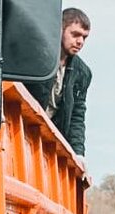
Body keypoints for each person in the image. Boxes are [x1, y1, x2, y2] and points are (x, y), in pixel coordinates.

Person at [26, 8, 91, 164]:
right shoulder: (35, 55)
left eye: (84, 37)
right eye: (75, 34)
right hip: (22, 130)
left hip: (50, 143)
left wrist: (78, 153)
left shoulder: (83, 73)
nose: (80, 41)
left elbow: (77, 114)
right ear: (59, 30)